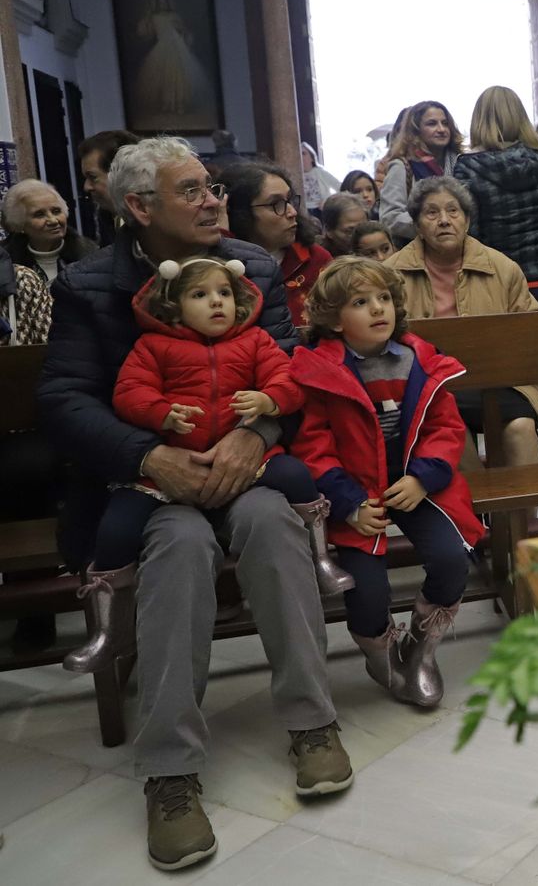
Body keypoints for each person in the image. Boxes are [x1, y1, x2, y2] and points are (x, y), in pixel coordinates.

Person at [36, 136, 350, 870]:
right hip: (147, 481)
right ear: (138, 206)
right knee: (179, 548)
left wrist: (257, 431)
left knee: (274, 524)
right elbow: (62, 399)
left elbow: (286, 371)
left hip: (247, 467)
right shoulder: (87, 284)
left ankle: (313, 723)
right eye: (194, 191)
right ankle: (170, 772)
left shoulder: (254, 267)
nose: (215, 200)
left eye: (214, 187)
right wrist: (150, 455)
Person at [71, 257, 354, 674]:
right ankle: (109, 628)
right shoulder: (152, 346)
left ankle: (322, 561)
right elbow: (129, 394)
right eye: (199, 295)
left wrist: (269, 401)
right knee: (116, 527)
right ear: (173, 305)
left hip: (246, 462)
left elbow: (289, 379)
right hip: (170, 470)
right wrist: (162, 413)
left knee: (295, 475)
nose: (216, 303)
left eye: (224, 293)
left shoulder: (255, 340)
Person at [291, 257, 484, 708]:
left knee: (451, 559)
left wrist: (422, 477)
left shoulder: (417, 360)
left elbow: (446, 428)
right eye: (361, 302)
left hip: (415, 486)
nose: (378, 309)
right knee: (366, 590)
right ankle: (382, 659)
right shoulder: (320, 370)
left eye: (383, 299)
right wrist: (349, 503)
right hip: (357, 493)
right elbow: (311, 447)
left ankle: (420, 648)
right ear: (335, 320)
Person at [453, 85, 538, 466]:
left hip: (502, 280)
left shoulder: (466, 168)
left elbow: (470, 232)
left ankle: (509, 443)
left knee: (502, 370)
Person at [386, 177, 538, 474]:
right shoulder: (390, 274)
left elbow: (532, 331)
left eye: (453, 211)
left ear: (468, 220)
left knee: (521, 427)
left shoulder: (502, 267)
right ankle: (474, 518)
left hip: (500, 379)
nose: (444, 220)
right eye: (432, 213)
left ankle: (518, 520)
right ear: (418, 225)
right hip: (429, 387)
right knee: (450, 426)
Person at [222, 162, 332, 326]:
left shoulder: (316, 258)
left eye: (290, 200)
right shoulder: (223, 266)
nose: (292, 212)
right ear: (241, 214)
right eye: (276, 204)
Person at [378, 101, 463, 242]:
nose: (441, 129)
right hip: (419, 253)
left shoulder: (461, 162)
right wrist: (430, 224)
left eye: (445, 123)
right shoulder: (402, 166)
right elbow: (390, 217)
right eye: (432, 124)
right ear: (416, 130)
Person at [3, 179, 99, 285]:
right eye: (39, 214)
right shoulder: (5, 264)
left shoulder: (92, 255)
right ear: (20, 224)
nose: (53, 220)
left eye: (56, 211)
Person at [78, 129, 140, 245]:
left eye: (93, 177)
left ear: (121, 175)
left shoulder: (162, 220)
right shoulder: (106, 217)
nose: (87, 187)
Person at [319, 192, 369, 256]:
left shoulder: (377, 253)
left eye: (364, 229)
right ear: (329, 231)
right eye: (350, 232)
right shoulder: (318, 260)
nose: (361, 238)